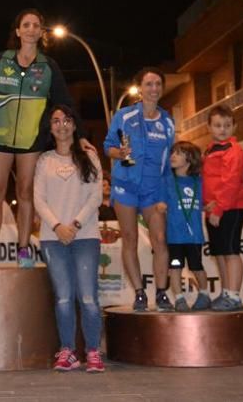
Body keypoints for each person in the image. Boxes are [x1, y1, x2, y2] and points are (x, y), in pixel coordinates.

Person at [0, 9, 93, 269]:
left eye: (35, 25)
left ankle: (24, 249)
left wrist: (80, 135)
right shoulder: (1, 60)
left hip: (31, 140)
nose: (30, 29)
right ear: (17, 31)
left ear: (41, 32)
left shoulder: (48, 66)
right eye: (25, 25)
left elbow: (65, 102)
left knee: (25, 192)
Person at [33, 104, 105, 373]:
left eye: (66, 120)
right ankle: (67, 351)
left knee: (87, 297)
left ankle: (93, 351)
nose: (61, 125)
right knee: (63, 297)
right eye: (55, 121)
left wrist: (73, 225)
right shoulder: (44, 160)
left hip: (85, 236)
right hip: (53, 239)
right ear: (50, 128)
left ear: (74, 125)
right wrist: (57, 226)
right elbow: (38, 198)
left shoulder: (90, 157)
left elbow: (95, 196)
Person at [104, 67, 175, 312]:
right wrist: (119, 153)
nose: (153, 88)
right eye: (149, 84)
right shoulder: (124, 116)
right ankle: (139, 293)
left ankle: (162, 292)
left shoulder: (167, 122)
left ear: (162, 89)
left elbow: (168, 162)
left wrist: (166, 194)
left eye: (157, 84)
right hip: (126, 185)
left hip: (154, 190)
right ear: (140, 89)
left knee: (160, 239)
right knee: (130, 239)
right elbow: (108, 146)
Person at [202, 104, 243, 311]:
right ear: (209, 127)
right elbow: (206, 181)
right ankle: (225, 292)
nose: (222, 129)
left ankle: (234, 295)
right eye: (218, 125)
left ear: (234, 127)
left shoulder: (235, 151)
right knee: (220, 252)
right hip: (214, 208)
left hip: (231, 207)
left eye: (227, 125)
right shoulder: (210, 150)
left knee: (231, 252)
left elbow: (230, 182)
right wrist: (207, 205)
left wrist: (219, 208)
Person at [165, 141, 210, 312]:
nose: (172, 156)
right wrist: (161, 205)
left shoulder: (198, 181)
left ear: (190, 158)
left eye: (178, 153)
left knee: (197, 267)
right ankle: (179, 299)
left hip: (194, 237)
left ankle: (204, 294)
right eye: (172, 153)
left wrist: (209, 205)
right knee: (175, 267)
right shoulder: (168, 180)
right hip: (175, 237)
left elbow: (206, 199)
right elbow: (160, 201)